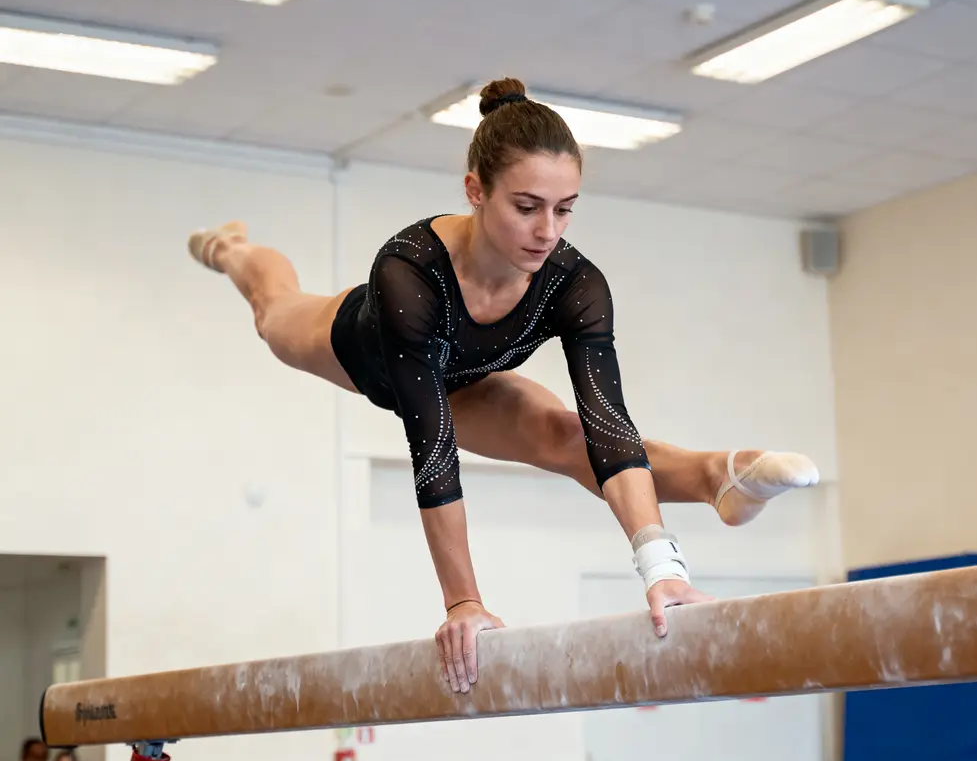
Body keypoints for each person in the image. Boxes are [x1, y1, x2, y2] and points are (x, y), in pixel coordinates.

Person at [185, 76, 820, 694]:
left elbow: (608, 427)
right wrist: (463, 600)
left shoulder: (574, 284)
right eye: (527, 207)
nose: (548, 231)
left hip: (469, 381)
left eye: (565, 209)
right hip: (361, 350)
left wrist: (662, 568)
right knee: (274, 311)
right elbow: (432, 451)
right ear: (476, 191)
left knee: (565, 434)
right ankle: (233, 249)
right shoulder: (410, 269)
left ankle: (719, 476)